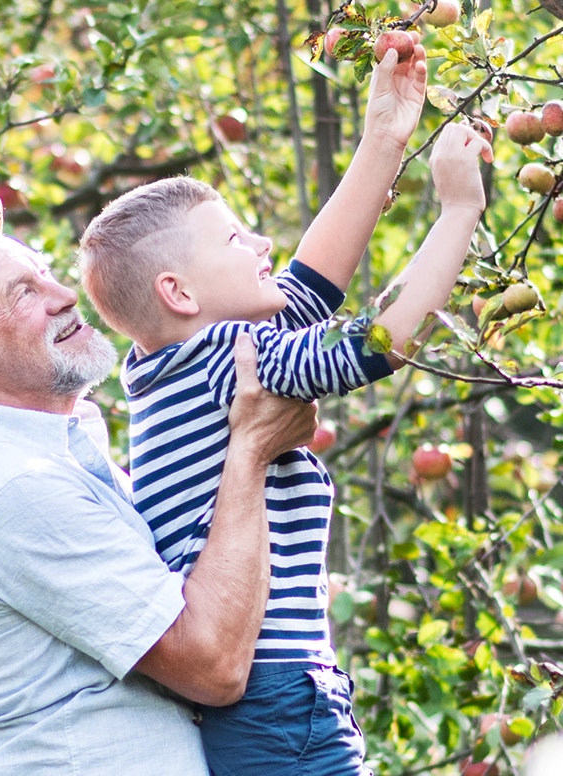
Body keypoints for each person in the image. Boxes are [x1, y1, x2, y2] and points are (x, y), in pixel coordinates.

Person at [79, 44, 494, 776]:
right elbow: (370, 343)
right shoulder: (228, 357)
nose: (263, 242)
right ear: (180, 293)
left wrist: (383, 139)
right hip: (275, 698)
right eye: (237, 238)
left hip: (254, 705)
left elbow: (307, 291)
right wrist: (459, 208)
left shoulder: (166, 372)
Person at [0, 197, 320, 776]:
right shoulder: (14, 491)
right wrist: (249, 453)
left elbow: (302, 301)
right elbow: (214, 667)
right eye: (23, 293)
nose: (65, 296)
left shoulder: (56, 460)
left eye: (45, 272)